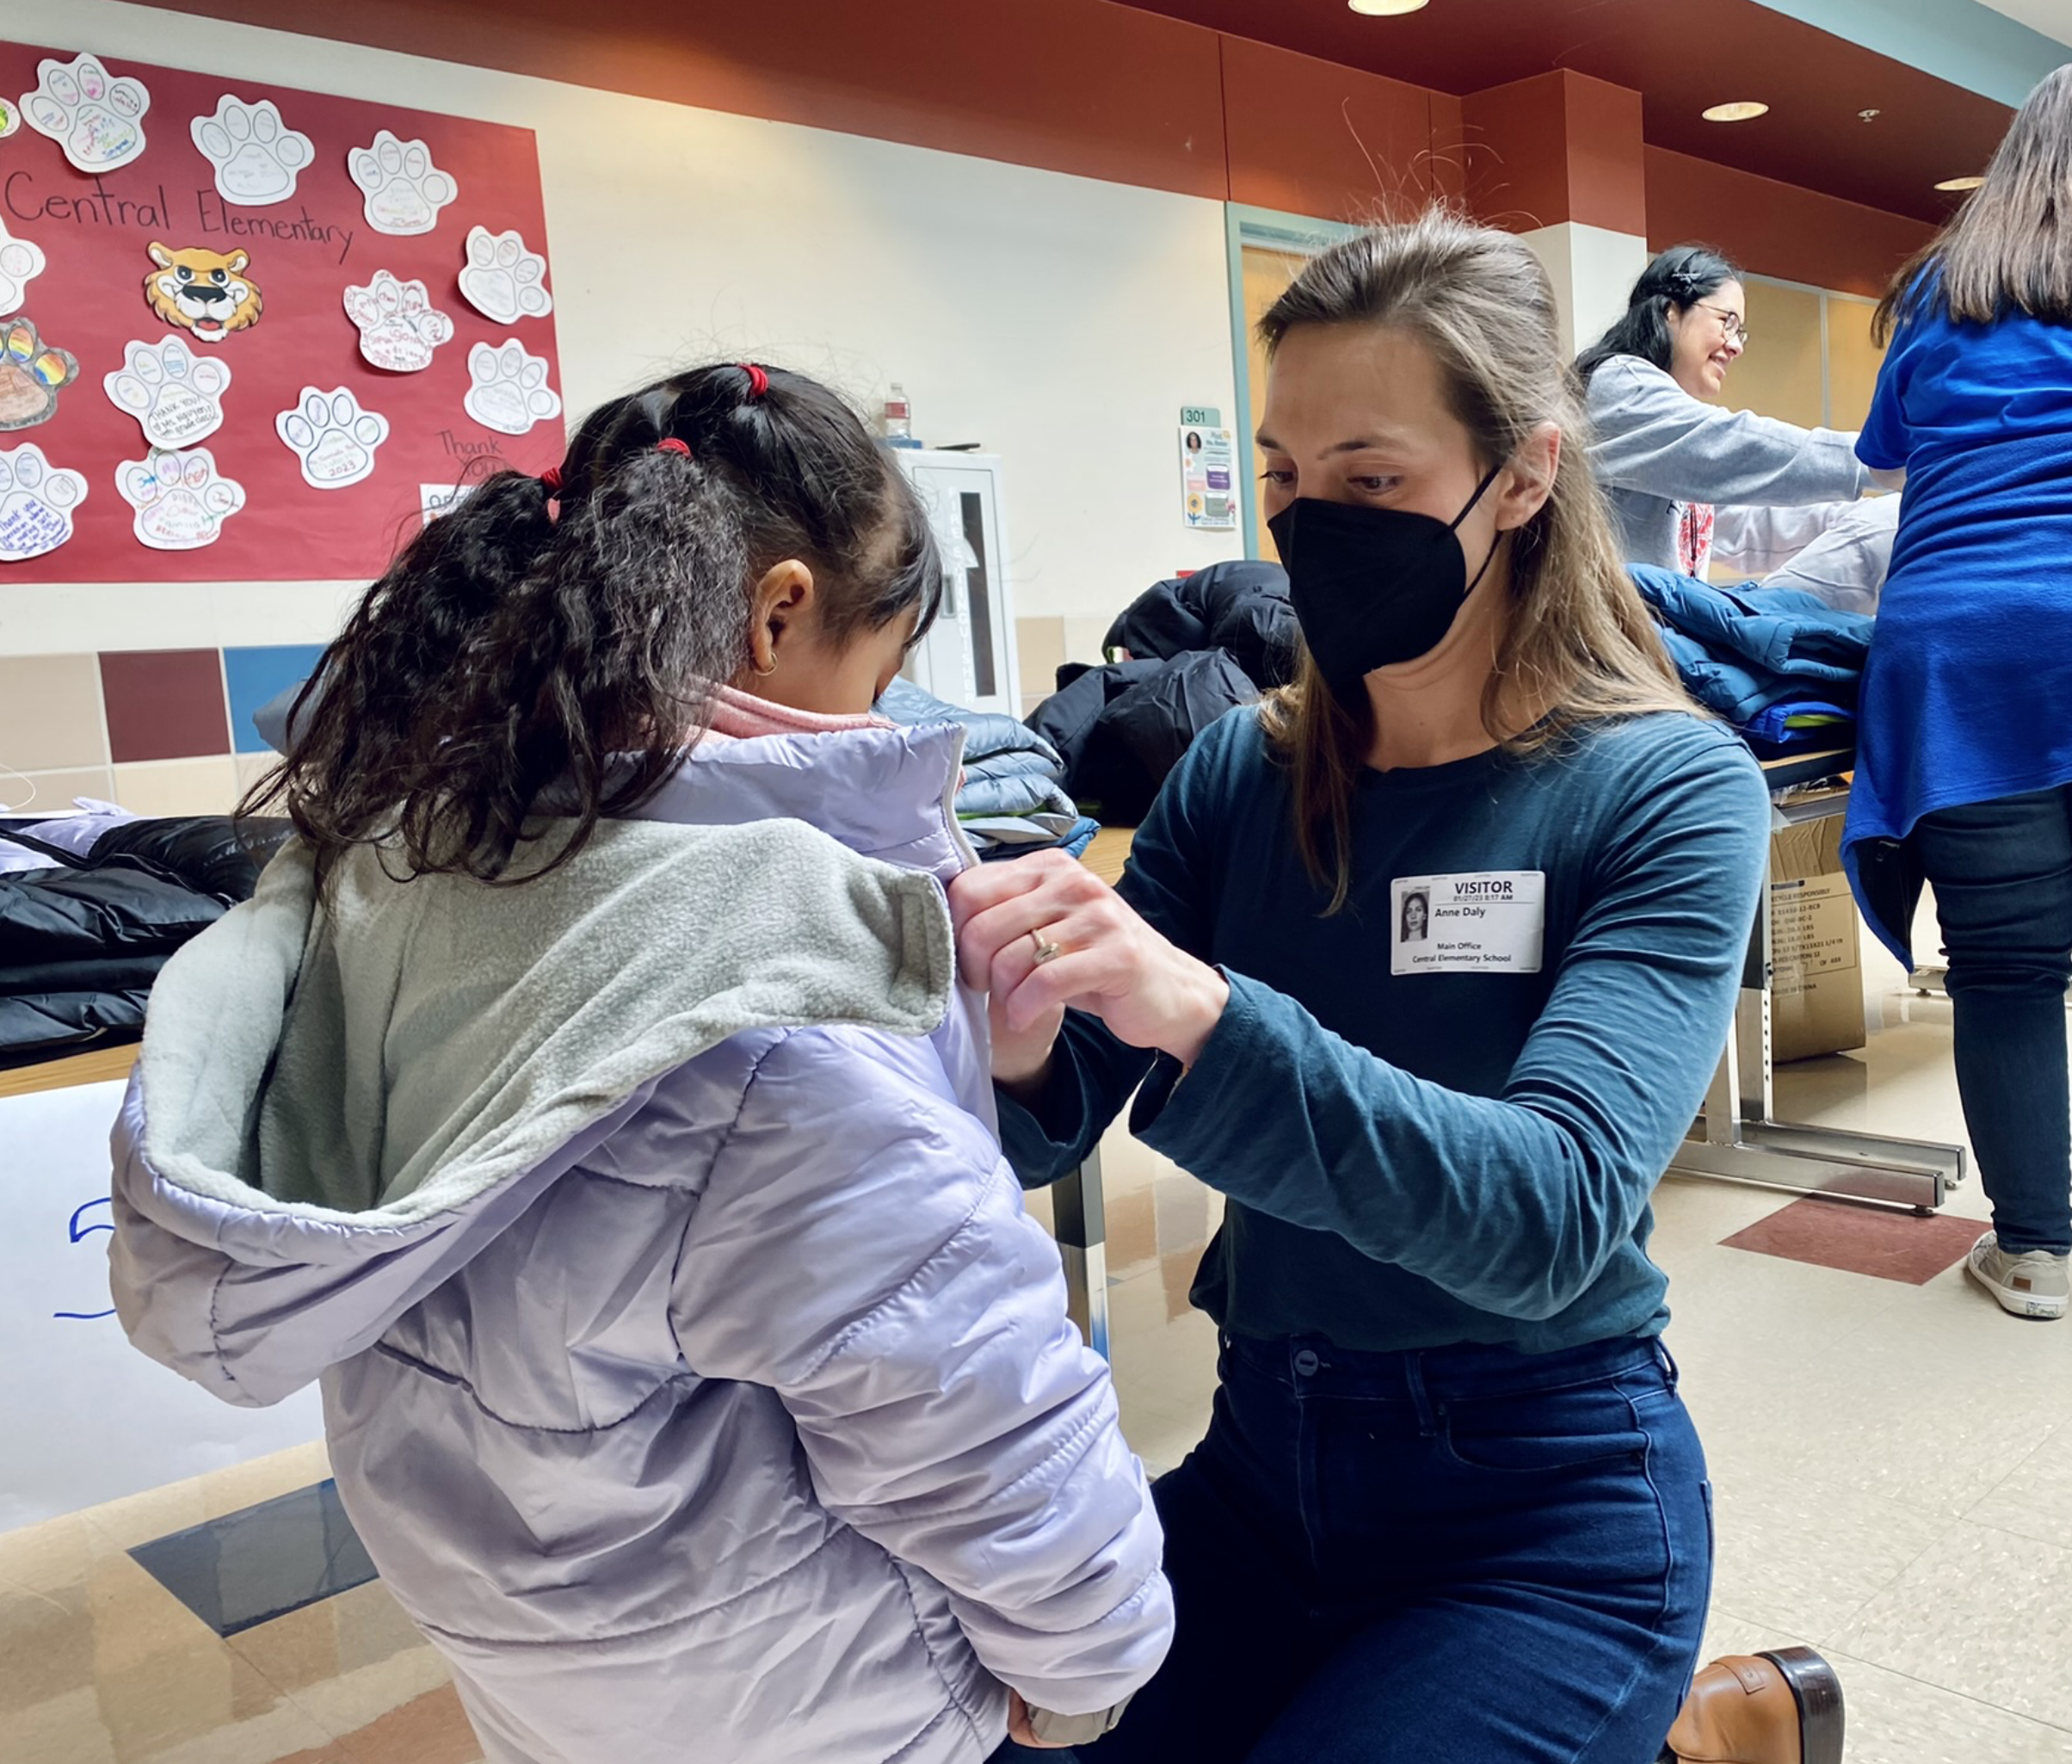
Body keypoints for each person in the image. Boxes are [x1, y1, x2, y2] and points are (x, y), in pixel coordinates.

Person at [106, 363, 1172, 1764]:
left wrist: (975, 1053)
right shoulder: (766, 989)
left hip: (544, 1647)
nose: (886, 714)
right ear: (779, 612)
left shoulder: (417, 850)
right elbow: (966, 1405)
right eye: (883, 673)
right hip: (804, 1687)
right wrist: (1090, 1664)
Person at [952, 213, 1834, 1763]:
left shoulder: (1666, 788)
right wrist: (1022, 1044)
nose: (1311, 526)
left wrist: (1207, 1016)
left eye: (1371, 483)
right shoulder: (1243, 768)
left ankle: (1671, 1720)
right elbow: (1054, 1124)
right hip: (1256, 1462)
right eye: (1285, 482)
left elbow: (1551, 1213)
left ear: (1525, 473)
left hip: (1541, 1507)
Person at [1846, 65, 2072, 1322]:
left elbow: (1885, 451)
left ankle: (2037, 1246)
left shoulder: (1946, 283)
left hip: (1962, 651)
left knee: (2009, 971)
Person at [1578, 244, 1896, 577]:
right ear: (1670, 310)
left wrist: (1870, 517)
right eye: (1726, 322)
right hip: (1605, 629)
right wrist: (1877, 458)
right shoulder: (1620, 384)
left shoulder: (1676, 448)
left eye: (1739, 330)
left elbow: (1747, 529)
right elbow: (1730, 445)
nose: (1736, 345)